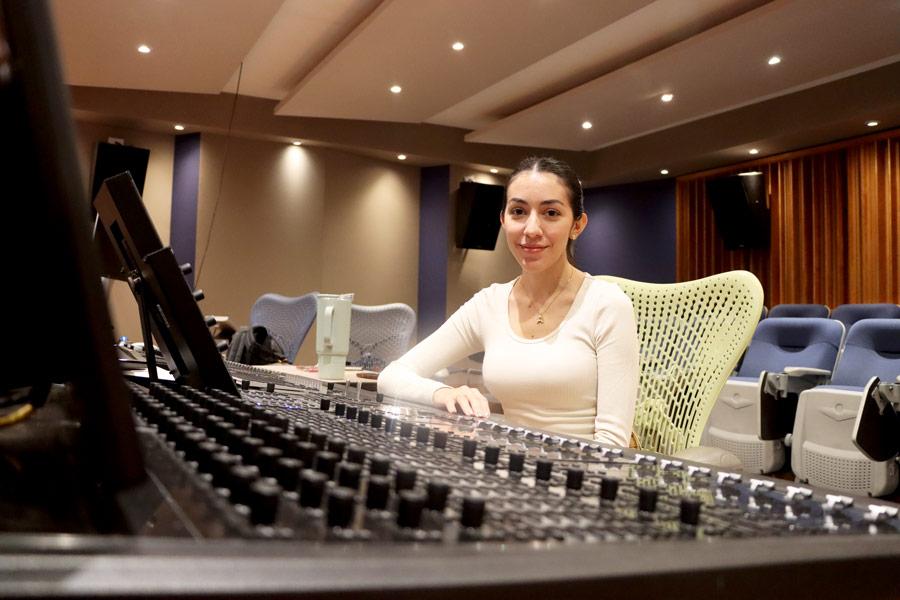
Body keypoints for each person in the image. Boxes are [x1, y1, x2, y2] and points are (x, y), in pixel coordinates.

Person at [378, 157, 639, 446]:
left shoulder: (607, 304)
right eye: (518, 211)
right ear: (503, 220)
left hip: (580, 480)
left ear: (577, 225)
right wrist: (442, 393)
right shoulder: (488, 304)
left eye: (551, 212)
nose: (531, 229)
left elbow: (613, 445)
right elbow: (392, 376)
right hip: (507, 473)